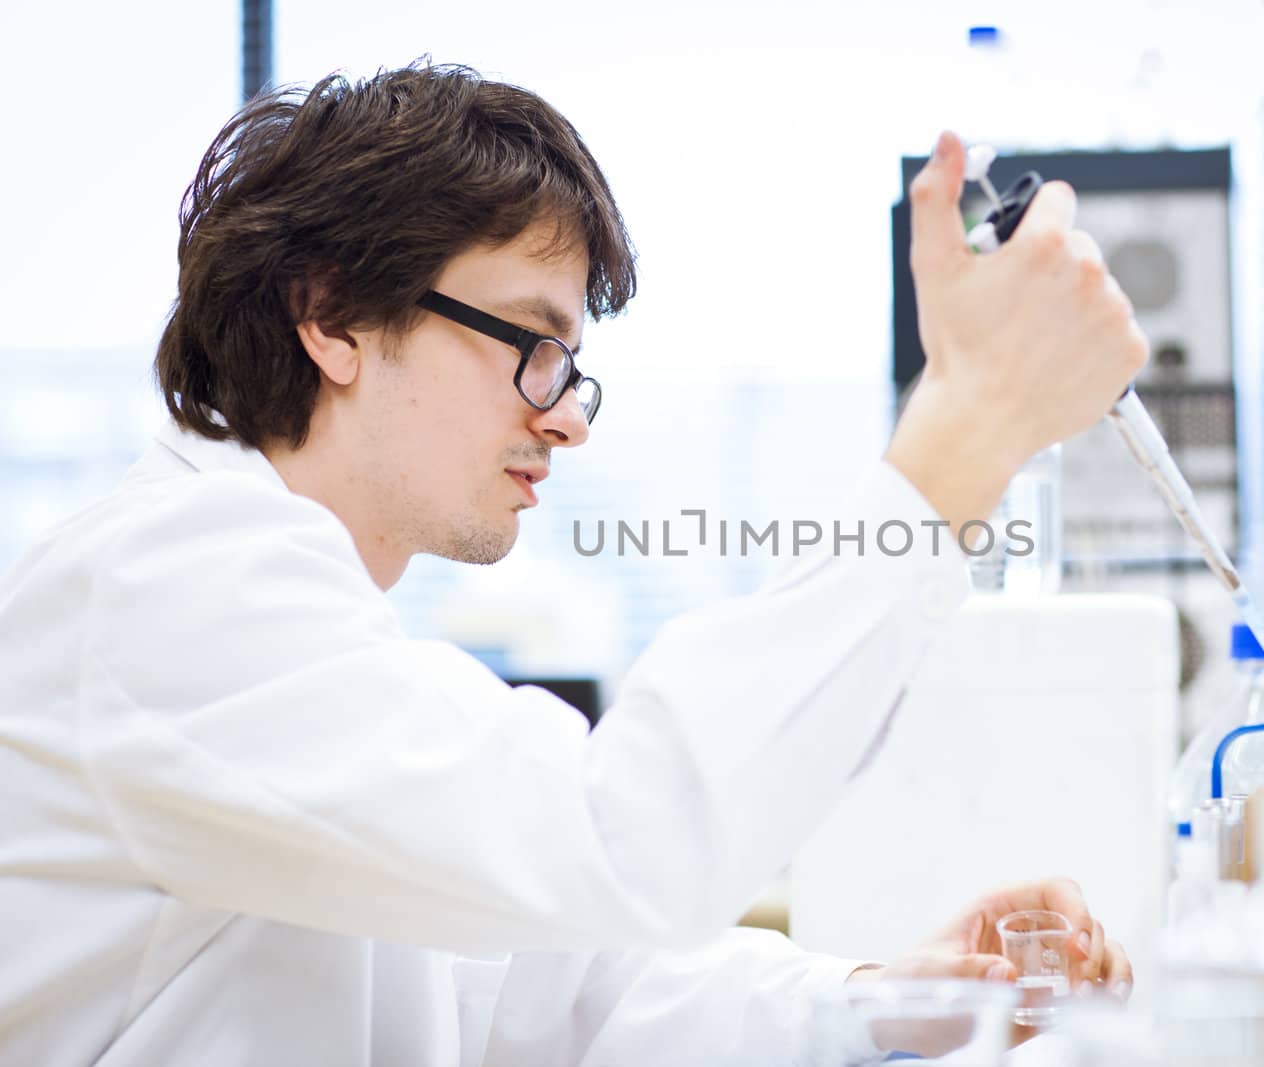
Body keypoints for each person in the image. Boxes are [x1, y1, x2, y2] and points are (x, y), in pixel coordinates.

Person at [0, 62, 1146, 1065]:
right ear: (333, 314)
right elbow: (627, 838)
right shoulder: (168, 586)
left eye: (570, 364)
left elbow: (514, 985)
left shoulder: (284, 620)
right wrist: (966, 433)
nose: (565, 418)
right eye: (531, 346)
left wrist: (882, 1002)